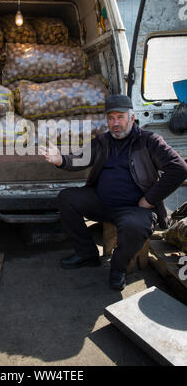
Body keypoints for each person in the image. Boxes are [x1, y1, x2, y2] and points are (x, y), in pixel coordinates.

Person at [41, 94, 187, 290]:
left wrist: (151, 199)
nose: (115, 123)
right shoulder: (103, 141)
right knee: (67, 198)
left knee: (134, 227)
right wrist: (61, 160)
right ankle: (87, 253)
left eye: (120, 117)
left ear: (131, 118)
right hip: (102, 203)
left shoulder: (150, 141)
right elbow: (81, 158)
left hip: (134, 208)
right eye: (111, 118)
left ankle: (118, 267)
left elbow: (179, 168)